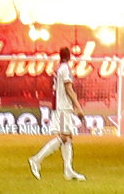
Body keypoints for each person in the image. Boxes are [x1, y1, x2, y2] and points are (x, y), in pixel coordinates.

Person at [27, 47, 86, 182]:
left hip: (61, 106)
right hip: (62, 107)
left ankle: (68, 170)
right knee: (64, 137)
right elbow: (68, 88)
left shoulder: (59, 68)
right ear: (69, 56)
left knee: (68, 138)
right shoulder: (64, 69)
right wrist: (78, 106)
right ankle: (36, 160)